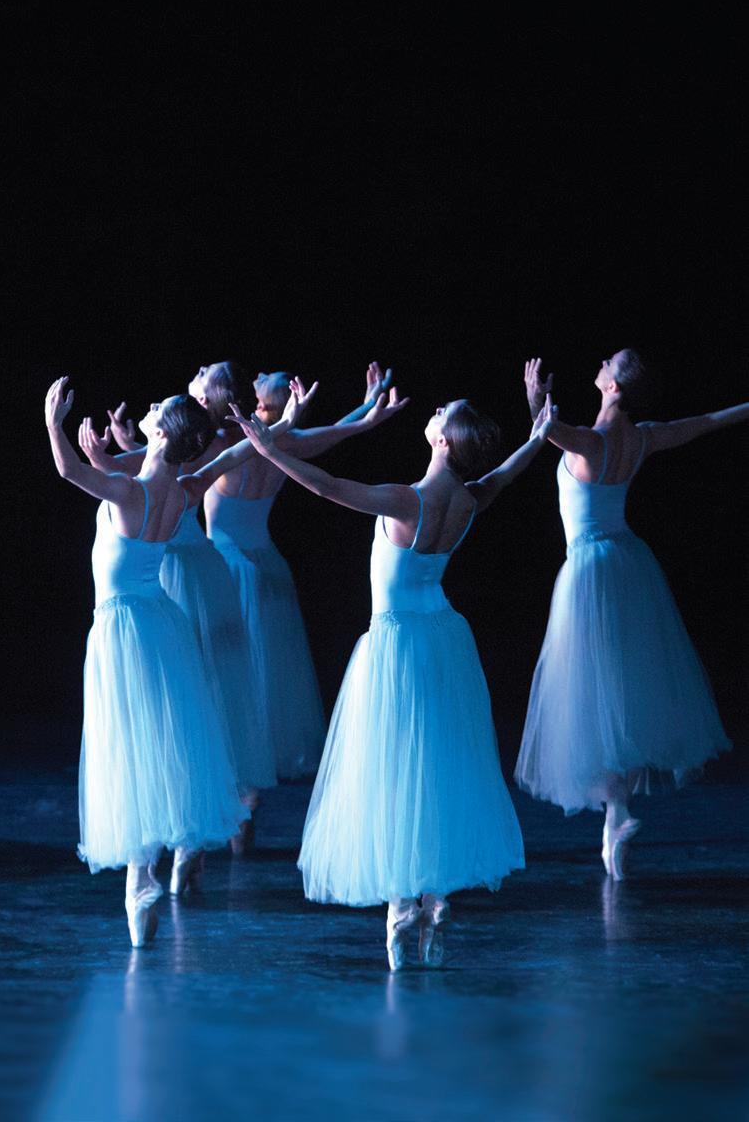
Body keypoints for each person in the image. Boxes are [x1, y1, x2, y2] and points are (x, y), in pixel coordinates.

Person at [231, 386, 554, 970]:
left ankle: (403, 905)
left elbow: (328, 487)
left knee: (394, 765)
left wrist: (268, 449)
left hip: (397, 643)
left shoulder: (408, 500)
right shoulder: (468, 499)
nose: (435, 410)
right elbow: (505, 473)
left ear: (443, 440)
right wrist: (536, 435)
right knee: (436, 765)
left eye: (441, 412)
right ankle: (435, 896)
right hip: (443, 638)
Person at [515, 353, 743, 880]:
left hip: (589, 571)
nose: (599, 363)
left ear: (613, 386)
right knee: (624, 691)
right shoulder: (641, 439)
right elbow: (706, 421)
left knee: (595, 693)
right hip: (628, 561)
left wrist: (534, 402)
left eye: (608, 363)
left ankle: (615, 812)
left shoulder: (591, 441)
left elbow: (546, 431)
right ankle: (615, 816)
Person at [46, 378, 247, 948]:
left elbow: (67, 472)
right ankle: (145, 872)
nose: (151, 406)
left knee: (129, 743)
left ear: (160, 433)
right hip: (159, 619)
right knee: (155, 742)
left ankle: (139, 880)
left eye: (158, 408)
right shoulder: (178, 494)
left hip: (122, 627)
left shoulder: (129, 492)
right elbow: (214, 461)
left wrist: (52, 422)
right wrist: (271, 432)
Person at [190, 362, 391, 780]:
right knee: (266, 677)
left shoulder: (224, 442)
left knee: (231, 674)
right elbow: (335, 431)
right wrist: (366, 406)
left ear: (263, 404)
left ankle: (236, 764)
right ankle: (259, 767)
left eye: (266, 381)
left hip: (225, 568)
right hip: (267, 567)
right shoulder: (286, 442)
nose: (260, 374)